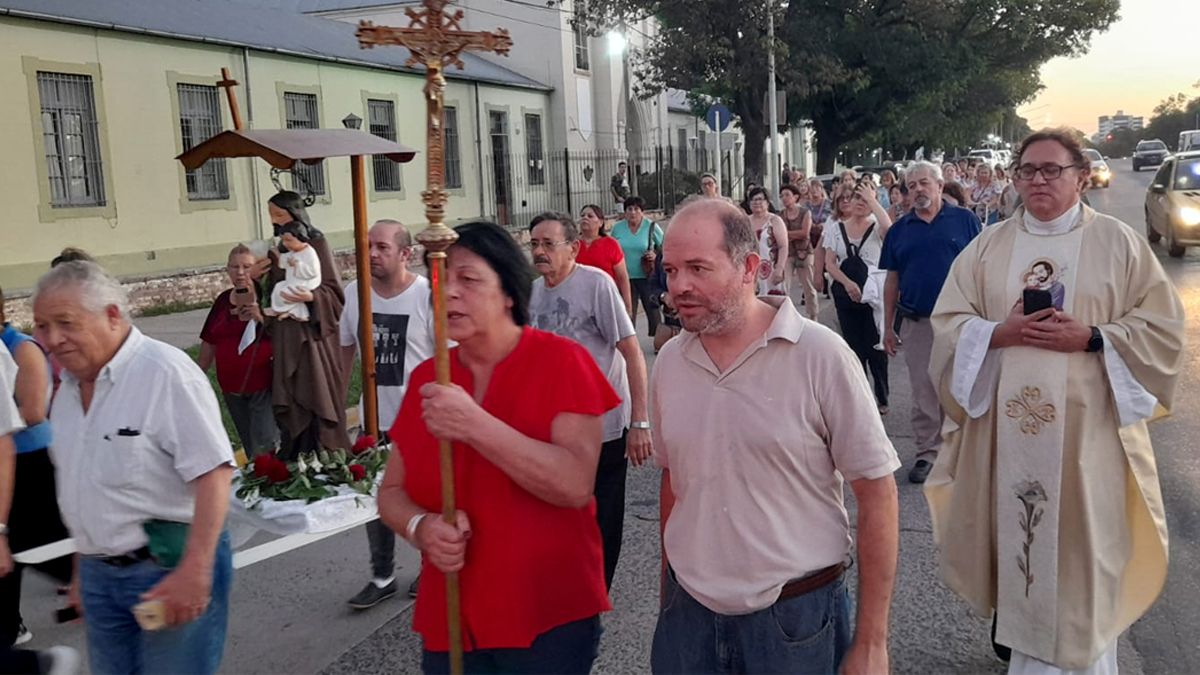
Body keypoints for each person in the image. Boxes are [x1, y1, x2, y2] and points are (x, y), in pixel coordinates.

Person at [926, 128, 1185, 673]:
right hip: (1008, 442)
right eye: (1027, 170)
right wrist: (1000, 332)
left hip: (1091, 445)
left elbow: (1162, 331)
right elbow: (948, 324)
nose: (1038, 180)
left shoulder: (1118, 244)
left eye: (1052, 169)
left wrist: (1091, 337)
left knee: (1084, 572)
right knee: (1024, 565)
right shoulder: (988, 247)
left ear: (1081, 177)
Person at [650, 199, 899, 675]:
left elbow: (877, 494)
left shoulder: (820, 356)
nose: (678, 286)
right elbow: (673, 482)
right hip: (689, 615)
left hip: (796, 618)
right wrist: (669, 601)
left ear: (749, 268)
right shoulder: (670, 363)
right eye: (671, 270)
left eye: (698, 268)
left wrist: (871, 642)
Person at [376, 221, 618, 674]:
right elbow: (391, 493)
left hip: (545, 614)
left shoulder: (562, 363)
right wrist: (421, 527)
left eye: (468, 279)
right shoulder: (430, 378)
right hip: (454, 613)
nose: (448, 292)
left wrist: (475, 425)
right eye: (439, 278)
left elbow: (573, 485)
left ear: (508, 292)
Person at [33, 261, 234, 674]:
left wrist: (195, 570)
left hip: (167, 566)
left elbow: (214, 474)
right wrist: (81, 570)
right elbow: (81, 486)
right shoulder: (67, 390)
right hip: (99, 575)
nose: (52, 339)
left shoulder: (164, 373)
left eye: (65, 323)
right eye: (42, 326)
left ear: (111, 315)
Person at [528, 212, 652, 590]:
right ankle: (570, 591)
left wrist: (639, 422)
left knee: (602, 520)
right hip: (556, 430)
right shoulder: (533, 294)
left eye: (549, 244)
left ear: (573, 248)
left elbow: (632, 353)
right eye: (534, 244)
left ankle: (595, 595)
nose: (539, 251)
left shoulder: (596, 284)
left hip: (605, 427)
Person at [339, 220, 437, 610]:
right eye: (367, 247)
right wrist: (336, 408)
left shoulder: (427, 296)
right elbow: (345, 350)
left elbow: (447, 359)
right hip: (373, 421)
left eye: (381, 247)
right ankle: (382, 576)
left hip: (419, 421)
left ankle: (431, 566)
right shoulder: (355, 294)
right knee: (374, 499)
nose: (372, 254)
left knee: (425, 497)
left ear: (406, 254)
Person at [880, 161, 981, 485]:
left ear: (939, 185)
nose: (918, 190)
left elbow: (982, 270)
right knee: (924, 390)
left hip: (962, 321)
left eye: (924, 183)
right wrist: (887, 327)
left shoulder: (965, 221)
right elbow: (892, 280)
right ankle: (928, 453)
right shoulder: (899, 231)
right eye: (912, 186)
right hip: (918, 321)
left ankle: (962, 452)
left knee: (961, 386)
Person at [0, 289, 72, 649]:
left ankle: (96, 584)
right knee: (16, 544)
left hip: (31, 457)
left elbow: (32, 412)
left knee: (36, 540)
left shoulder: (21, 347)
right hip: (11, 458)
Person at [263, 191, 350, 459]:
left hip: (312, 335)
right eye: (271, 215)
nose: (274, 221)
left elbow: (334, 292)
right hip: (286, 334)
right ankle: (295, 453)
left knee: (315, 388)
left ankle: (323, 452)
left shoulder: (316, 244)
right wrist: (256, 278)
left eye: (279, 214)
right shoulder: (278, 250)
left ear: (295, 214)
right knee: (290, 395)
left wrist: (311, 298)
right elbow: (270, 291)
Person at [198, 245, 278, 458]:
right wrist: (197, 375)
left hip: (262, 386)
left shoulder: (268, 298)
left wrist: (261, 316)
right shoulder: (223, 301)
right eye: (235, 267)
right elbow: (209, 340)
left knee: (265, 444)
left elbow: (284, 335)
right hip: (231, 388)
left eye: (247, 266)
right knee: (250, 445)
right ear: (227, 270)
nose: (240, 272)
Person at [824, 181, 892, 413]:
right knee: (854, 347)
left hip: (873, 296)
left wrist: (872, 199)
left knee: (875, 347)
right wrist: (847, 283)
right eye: (856, 198)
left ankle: (882, 395)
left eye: (866, 199)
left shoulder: (876, 226)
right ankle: (861, 396)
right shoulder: (836, 228)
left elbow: (888, 228)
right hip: (846, 294)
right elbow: (830, 263)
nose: (860, 203)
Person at [610, 196, 664, 337]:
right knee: (628, 313)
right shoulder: (617, 228)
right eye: (629, 209)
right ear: (625, 211)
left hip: (647, 276)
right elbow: (611, 249)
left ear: (642, 211)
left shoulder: (651, 227)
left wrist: (655, 255)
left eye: (636, 209)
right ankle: (629, 340)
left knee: (653, 311)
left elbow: (665, 247)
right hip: (625, 277)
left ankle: (659, 339)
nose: (633, 212)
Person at [576, 204, 633, 317]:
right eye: (582, 216)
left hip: (605, 301)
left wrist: (627, 306)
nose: (585, 218)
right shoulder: (571, 245)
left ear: (601, 222)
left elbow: (622, 277)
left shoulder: (611, 244)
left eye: (590, 216)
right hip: (578, 302)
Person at [266, 221, 322, 322]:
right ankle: (281, 310)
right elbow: (283, 263)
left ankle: (297, 312)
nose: (285, 244)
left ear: (300, 238)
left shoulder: (309, 253)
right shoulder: (293, 252)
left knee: (287, 292)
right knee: (278, 287)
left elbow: (313, 272)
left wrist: (298, 265)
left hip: (306, 281)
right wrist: (282, 258)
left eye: (289, 240)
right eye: (283, 240)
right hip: (293, 280)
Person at [780, 184, 818, 320]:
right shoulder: (780, 215)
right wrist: (790, 235)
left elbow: (804, 233)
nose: (784, 198)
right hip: (787, 253)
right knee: (784, 287)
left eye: (787, 195)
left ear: (795, 197)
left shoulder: (805, 212)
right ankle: (786, 317)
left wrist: (786, 234)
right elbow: (778, 234)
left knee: (809, 287)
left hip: (804, 252)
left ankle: (813, 316)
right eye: (782, 196)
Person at [745, 186, 788, 296]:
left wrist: (780, 268)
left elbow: (783, 246)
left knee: (772, 300)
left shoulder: (775, 220)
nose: (756, 202)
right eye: (753, 200)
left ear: (767, 202)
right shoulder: (745, 221)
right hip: (751, 270)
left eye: (760, 199)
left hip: (771, 269)